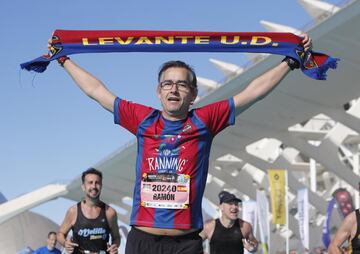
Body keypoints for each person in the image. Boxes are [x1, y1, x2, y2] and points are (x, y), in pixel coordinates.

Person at [49, 34, 312, 254]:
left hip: (186, 243)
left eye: (182, 85)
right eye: (167, 84)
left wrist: (289, 62)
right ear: (158, 91)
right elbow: (97, 91)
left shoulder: (205, 120)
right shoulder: (142, 119)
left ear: (193, 93)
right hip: (142, 240)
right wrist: (63, 60)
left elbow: (252, 93)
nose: (174, 89)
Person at [57, 168, 120, 254]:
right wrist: (65, 243)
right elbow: (60, 233)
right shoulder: (73, 211)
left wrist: (114, 246)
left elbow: (116, 237)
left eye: (97, 183)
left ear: (101, 186)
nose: (94, 186)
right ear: (83, 187)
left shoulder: (110, 212)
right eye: (90, 183)